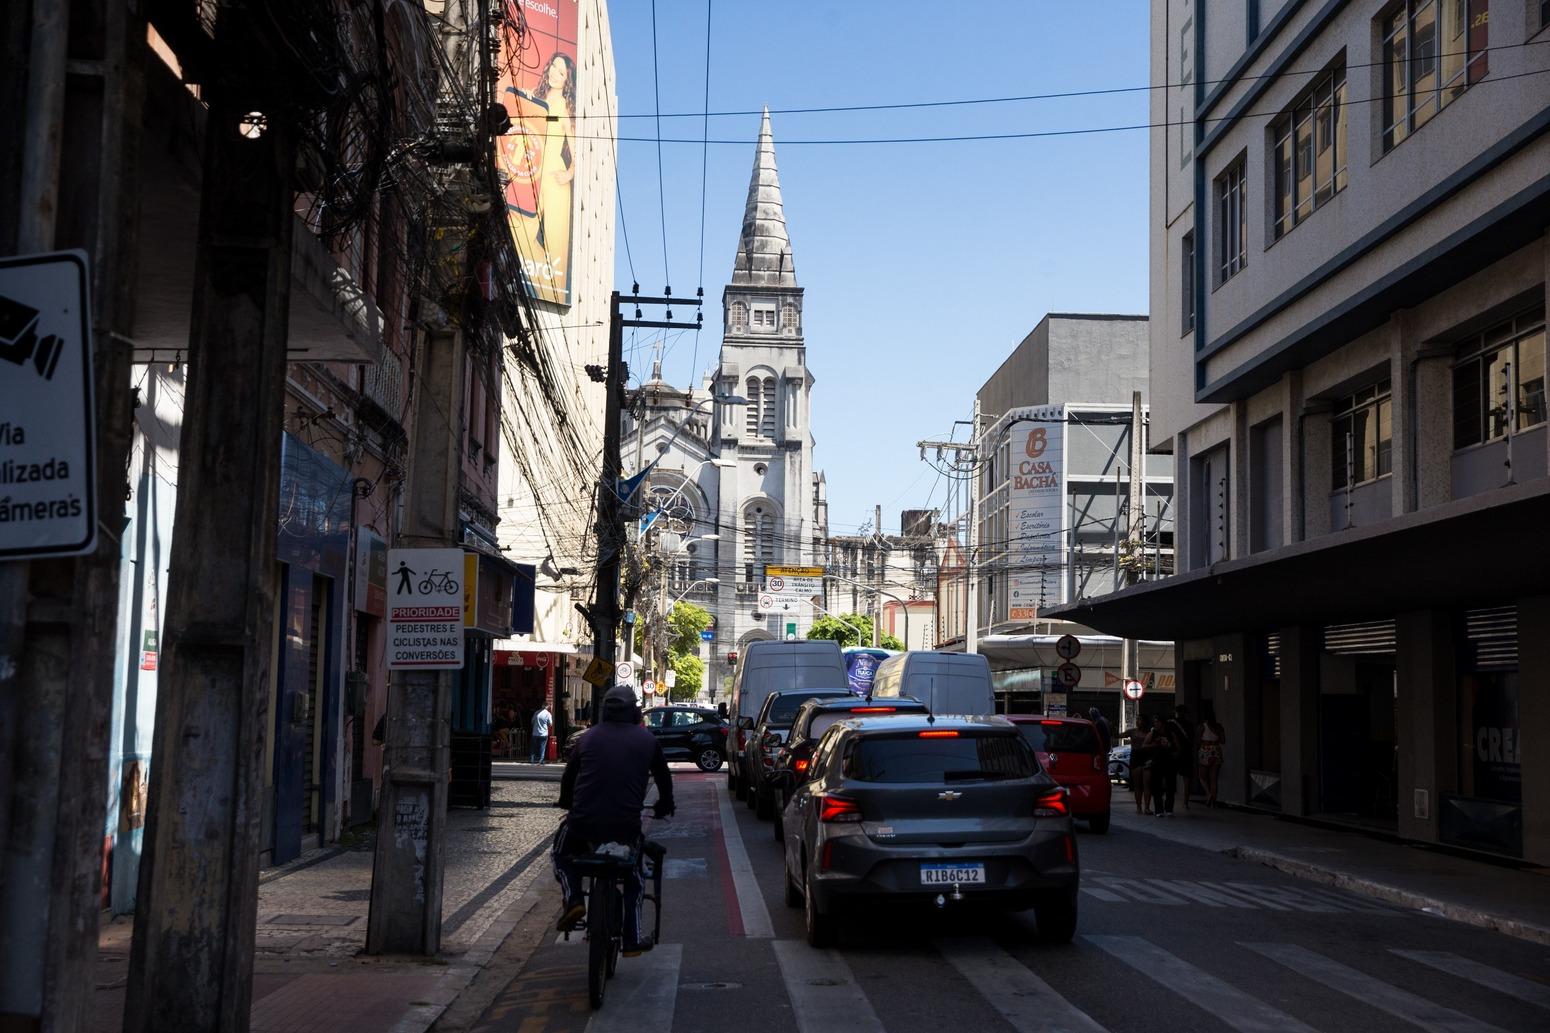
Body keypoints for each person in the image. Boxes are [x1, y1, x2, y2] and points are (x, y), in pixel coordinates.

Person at [553, 684, 674, 955]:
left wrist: (567, 804)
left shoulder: (587, 738)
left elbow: (568, 779)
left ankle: (574, 898)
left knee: (561, 852)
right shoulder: (648, 741)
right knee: (634, 875)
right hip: (625, 827)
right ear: (635, 712)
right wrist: (665, 805)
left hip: (583, 824)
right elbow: (665, 781)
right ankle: (632, 937)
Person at [1144, 715, 1177, 816]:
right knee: (1156, 786)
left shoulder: (1171, 734)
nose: (1155, 724)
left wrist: (1174, 754)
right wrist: (1154, 745)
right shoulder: (1152, 734)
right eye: (1154, 722)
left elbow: (1177, 746)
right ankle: (1159, 810)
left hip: (1169, 762)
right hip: (1157, 762)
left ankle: (1169, 809)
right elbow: (1144, 745)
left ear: (1162, 723)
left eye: (1157, 722)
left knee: (1170, 786)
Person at [1196, 701, 1226, 808]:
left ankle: (1208, 794)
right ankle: (1214, 802)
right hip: (1216, 751)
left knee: (1202, 777)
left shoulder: (1202, 727)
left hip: (1205, 751)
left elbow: (1198, 741)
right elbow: (1223, 741)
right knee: (1214, 779)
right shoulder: (1219, 727)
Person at [1168, 705, 1196, 811]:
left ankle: (1170, 802)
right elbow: (1192, 739)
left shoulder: (1171, 723)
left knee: (1171, 777)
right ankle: (1186, 802)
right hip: (1187, 753)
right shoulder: (1189, 724)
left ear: (1176, 712)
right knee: (1187, 779)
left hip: (1174, 753)